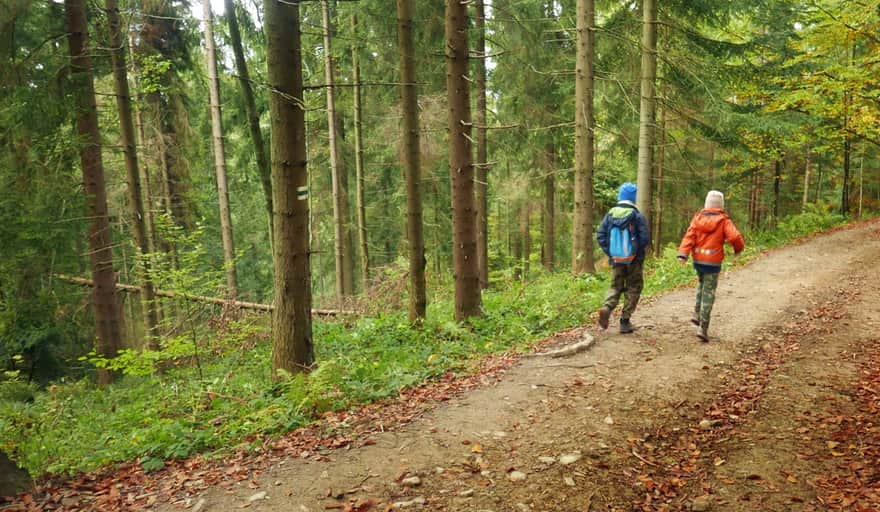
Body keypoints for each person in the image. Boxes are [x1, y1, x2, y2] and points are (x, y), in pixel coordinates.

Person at [677, 190, 745, 342]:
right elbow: (734, 236)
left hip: (698, 260)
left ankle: (696, 313)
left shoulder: (697, 219)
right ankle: (703, 326)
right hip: (713, 262)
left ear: (706, 204)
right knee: (709, 291)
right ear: (720, 206)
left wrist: (683, 254)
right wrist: (738, 248)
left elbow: (689, 236)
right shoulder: (723, 220)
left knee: (701, 284)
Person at [596, 182, 651, 333]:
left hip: (616, 260)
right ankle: (625, 321)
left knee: (615, 286)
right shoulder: (637, 216)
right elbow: (645, 237)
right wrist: (636, 254)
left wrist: (612, 252)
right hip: (634, 261)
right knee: (634, 287)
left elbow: (600, 236)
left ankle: (607, 307)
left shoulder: (610, 215)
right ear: (633, 198)